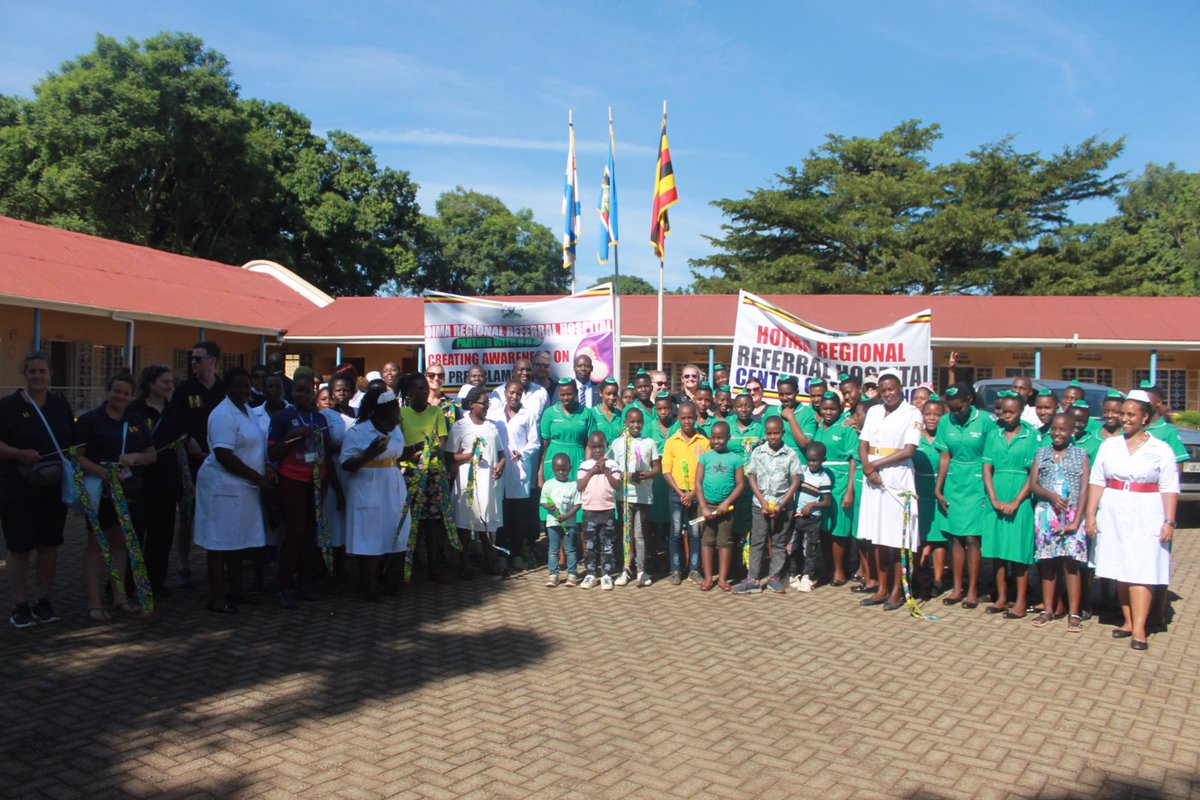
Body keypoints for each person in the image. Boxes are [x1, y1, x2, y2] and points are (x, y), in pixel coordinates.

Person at [1086, 392, 1179, 651]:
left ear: (1145, 417)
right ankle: (1127, 621)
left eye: (1130, 415)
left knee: (1141, 568)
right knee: (1120, 566)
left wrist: (1169, 521)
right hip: (1113, 508)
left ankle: (1140, 628)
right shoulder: (1110, 445)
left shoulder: (1160, 449)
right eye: (1122, 414)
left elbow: (1170, 487)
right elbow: (1097, 480)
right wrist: (1091, 514)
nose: (1123, 419)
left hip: (1146, 510)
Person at [75, 371, 157, 621]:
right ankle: (94, 602)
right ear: (108, 391)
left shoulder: (136, 420)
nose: (120, 396)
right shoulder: (90, 420)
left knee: (121, 543)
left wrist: (135, 458)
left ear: (131, 395)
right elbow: (77, 455)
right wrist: (101, 472)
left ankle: (119, 597)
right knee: (97, 545)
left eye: (125, 392)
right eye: (116, 391)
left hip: (127, 491)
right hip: (100, 491)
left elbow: (151, 454)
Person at [0, 352, 75, 628]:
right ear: (25, 374)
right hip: (17, 487)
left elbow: (72, 442)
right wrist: (18, 453)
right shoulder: (8, 406)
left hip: (52, 488)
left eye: (42, 371)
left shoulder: (59, 406)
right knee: (19, 547)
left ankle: (44, 600)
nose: (37, 376)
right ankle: (20, 604)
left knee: (49, 545)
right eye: (32, 371)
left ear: (50, 374)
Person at [192, 367, 271, 613]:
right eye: (237, 386)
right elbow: (224, 454)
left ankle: (236, 590)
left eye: (246, 386)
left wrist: (264, 468)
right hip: (222, 485)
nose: (243, 390)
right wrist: (257, 477)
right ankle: (217, 598)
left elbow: (254, 445)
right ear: (227, 388)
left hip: (243, 486)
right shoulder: (223, 415)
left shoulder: (247, 410)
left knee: (236, 540)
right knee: (219, 542)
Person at [267, 369, 341, 608]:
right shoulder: (282, 418)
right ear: (291, 392)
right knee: (295, 533)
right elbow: (272, 453)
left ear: (313, 393)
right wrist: (291, 436)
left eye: (307, 391)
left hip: (316, 482)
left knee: (311, 534)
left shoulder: (319, 418)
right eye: (298, 390)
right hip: (291, 480)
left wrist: (331, 483)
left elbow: (326, 453)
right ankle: (283, 587)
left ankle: (305, 583)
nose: (303, 395)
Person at [855, 371, 922, 611]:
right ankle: (881, 588)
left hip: (896, 477)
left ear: (901, 388)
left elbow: (909, 450)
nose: (888, 394)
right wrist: (867, 467)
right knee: (877, 536)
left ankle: (897, 590)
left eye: (892, 389)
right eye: (883, 390)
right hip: (872, 479)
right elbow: (863, 443)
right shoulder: (873, 411)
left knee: (896, 538)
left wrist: (875, 465)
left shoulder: (912, 413)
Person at [341, 386, 409, 600]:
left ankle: (390, 577)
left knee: (397, 530)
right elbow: (347, 464)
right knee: (368, 534)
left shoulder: (395, 430)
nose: (397, 413)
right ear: (379, 410)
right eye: (393, 409)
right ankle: (367, 584)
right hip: (367, 484)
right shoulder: (358, 431)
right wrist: (368, 454)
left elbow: (398, 453)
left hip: (393, 483)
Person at [128, 365, 186, 596]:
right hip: (138, 478)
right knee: (135, 531)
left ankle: (155, 582)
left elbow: (182, 442)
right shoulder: (134, 411)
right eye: (165, 382)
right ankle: (129, 583)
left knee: (162, 533)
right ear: (151, 383)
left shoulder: (174, 411)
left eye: (171, 382)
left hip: (167, 478)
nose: (169, 386)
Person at [171, 340, 225, 588]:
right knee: (187, 514)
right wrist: (189, 440)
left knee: (220, 511)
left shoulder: (224, 390)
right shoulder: (184, 390)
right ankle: (183, 565)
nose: (193, 362)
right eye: (192, 358)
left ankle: (220, 560)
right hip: (192, 462)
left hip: (221, 460)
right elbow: (176, 421)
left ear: (213, 361)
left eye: (198, 358)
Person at [1029, 413, 1090, 632]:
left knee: (1071, 565)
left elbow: (1084, 490)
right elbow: (1033, 484)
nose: (1057, 433)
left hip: (1072, 515)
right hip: (1046, 515)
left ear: (1073, 431)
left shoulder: (1081, 454)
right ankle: (1048, 608)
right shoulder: (1042, 452)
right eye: (1054, 429)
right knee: (1047, 564)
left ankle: (1074, 613)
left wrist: (1077, 520)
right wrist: (1050, 496)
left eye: (1063, 430)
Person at [934, 383, 992, 609]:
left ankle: (972, 590)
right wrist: (939, 487)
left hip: (978, 481)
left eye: (958, 408)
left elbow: (990, 457)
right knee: (956, 537)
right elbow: (945, 456)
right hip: (954, 482)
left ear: (969, 400)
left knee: (972, 538)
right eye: (951, 408)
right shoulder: (944, 421)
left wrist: (990, 490)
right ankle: (957, 588)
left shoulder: (985, 420)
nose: (955, 413)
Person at [981, 392, 1038, 619]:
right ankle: (1002, 597)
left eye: (1011, 412)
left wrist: (1016, 501)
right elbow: (987, 467)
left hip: (1020, 496)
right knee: (997, 551)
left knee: (1018, 552)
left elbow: (1034, 472)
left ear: (1021, 411)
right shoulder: (994, 435)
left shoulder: (1030, 436)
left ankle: (1021, 602)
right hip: (996, 493)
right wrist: (993, 498)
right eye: (1003, 411)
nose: (1006, 416)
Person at [734, 416, 801, 595]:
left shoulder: (790, 454)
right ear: (765, 433)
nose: (773, 437)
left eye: (776, 433)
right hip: (760, 504)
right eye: (769, 433)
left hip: (783, 505)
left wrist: (781, 504)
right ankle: (753, 579)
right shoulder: (758, 452)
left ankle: (774, 577)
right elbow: (751, 476)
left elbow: (795, 481)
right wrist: (762, 501)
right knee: (757, 540)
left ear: (782, 433)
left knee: (779, 542)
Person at [398, 371, 455, 581]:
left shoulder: (436, 413)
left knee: (433, 522)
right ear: (409, 391)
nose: (421, 391)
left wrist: (428, 453)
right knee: (410, 522)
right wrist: (412, 454)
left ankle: (433, 566)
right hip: (409, 474)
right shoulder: (401, 413)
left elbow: (441, 440)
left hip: (432, 473)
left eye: (424, 388)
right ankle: (408, 566)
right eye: (417, 388)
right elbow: (397, 444)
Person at [488, 380, 541, 573]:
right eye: (511, 392)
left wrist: (523, 453)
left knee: (518, 516)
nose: (514, 396)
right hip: (500, 469)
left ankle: (517, 554)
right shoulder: (495, 415)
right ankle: (502, 555)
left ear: (522, 395)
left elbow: (535, 442)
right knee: (501, 516)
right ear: (505, 393)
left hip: (519, 470)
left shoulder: (529, 414)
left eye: (518, 393)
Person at [811, 393, 859, 587]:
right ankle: (828, 568)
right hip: (821, 482)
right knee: (824, 528)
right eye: (825, 408)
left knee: (839, 528)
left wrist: (849, 490)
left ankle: (840, 571)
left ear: (840, 408)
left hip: (840, 481)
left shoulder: (846, 428)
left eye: (832, 408)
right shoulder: (819, 427)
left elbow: (853, 459)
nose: (828, 412)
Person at [661, 402, 710, 585]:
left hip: (697, 496)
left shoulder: (704, 442)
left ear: (696, 418)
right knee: (675, 532)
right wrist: (680, 492)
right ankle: (675, 569)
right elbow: (666, 470)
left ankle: (695, 570)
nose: (687, 421)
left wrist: (692, 494)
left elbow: (706, 471)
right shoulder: (672, 442)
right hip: (676, 495)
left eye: (691, 417)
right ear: (678, 419)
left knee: (695, 532)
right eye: (683, 418)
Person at [610, 407, 660, 587]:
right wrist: (626, 476)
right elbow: (613, 469)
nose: (636, 425)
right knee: (625, 534)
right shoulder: (618, 443)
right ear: (625, 423)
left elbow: (656, 468)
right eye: (632, 421)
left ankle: (641, 571)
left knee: (640, 535)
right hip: (624, 497)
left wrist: (646, 475)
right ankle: (625, 569)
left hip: (643, 496)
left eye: (639, 421)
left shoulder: (649, 442)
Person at [694, 421, 744, 592]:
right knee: (707, 540)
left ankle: (722, 579)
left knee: (725, 541)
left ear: (728, 438)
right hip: (706, 505)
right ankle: (708, 578)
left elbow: (740, 485)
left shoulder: (736, 458)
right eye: (714, 438)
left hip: (726, 509)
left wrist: (727, 502)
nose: (717, 441)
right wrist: (704, 507)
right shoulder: (705, 457)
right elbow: (698, 483)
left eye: (721, 438)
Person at [913, 394, 948, 596]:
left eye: (937, 414)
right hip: (919, 490)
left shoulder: (946, 438)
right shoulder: (915, 437)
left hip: (941, 489)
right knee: (919, 537)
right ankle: (916, 576)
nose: (932, 418)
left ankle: (937, 580)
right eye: (928, 414)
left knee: (938, 538)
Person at [576, 431, 620, 589]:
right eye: (594, 447)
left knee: (607, 544)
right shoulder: (585, 465)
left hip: (607, 510)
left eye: (601, 446)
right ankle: (590, 573)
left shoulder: (613, 464)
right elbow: (580, 486)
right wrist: (593, 471)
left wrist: (606, 471)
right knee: (589, 545)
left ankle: (607, 574)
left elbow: (617, 485)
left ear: (606, 445)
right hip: (589, 511)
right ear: (589, 447)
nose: (598, 450)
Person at [788, 442, 832, 592]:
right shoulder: (802, 473)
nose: (811, 463)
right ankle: (794, 573)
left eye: (815, 460)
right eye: (809, 460)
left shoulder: (824, 479)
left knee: (809, 548)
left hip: (812, 519)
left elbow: (826, 502)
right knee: (793, 546)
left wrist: (812, 506)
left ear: (823, 460)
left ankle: (808, 576)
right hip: (797, 516)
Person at [540, 454, 581, 587]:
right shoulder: (548, 484)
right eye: (558, 470)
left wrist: (567, 516)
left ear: (570, 468)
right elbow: (543, 501)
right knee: (553, 549)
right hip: (553, 523)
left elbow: (577, 504)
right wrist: (548, 506)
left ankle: (572, 574)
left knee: (570, 549)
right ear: (553, 469)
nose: (561, 472)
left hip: (569, 524)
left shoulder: (573, 485)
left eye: (564, 469)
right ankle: (553, 574)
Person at [763, 376, 817, 455]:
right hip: (773, 463)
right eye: (781, 394)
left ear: (797, 392)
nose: (785, 398)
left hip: (799, 464)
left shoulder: (808, 413)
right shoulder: (771, 411)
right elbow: (762, 439)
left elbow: (805, 444)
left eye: (789, 394)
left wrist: (791, 418)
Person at [590, 378, 624, 447]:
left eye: (614, 394)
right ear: (600, 393)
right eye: (608, 394)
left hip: (618, 456)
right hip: (600, 456)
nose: (612, 397)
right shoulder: (592, 413)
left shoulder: (620, 414)